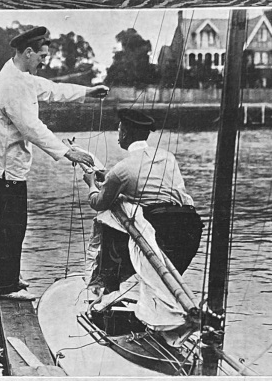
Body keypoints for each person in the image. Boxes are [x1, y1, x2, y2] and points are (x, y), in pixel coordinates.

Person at [0, 26, 109, 300]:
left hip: (1, 161)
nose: (44, 61)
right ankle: (6, 285)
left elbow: (51, 89)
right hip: (6, 164)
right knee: (13, 223)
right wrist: (66, 152)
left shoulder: (19, 74)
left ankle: (7, 274)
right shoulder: (12, 84)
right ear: (28, 52)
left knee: (8, 220)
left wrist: (87, 92)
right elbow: (31, 128)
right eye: (42, 56)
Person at [82, 109, 203, 294]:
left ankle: (106, 286)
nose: (118, 136)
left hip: (159, 227)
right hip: (189, 225)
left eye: (119, 131)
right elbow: (162, 186)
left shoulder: (121, 169)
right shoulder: (167, 157)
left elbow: (98, 203)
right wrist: (109, 178)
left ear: (125, 133)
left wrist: (91, 183)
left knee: (109, 218)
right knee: (169, 284)